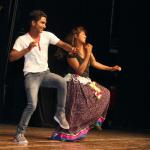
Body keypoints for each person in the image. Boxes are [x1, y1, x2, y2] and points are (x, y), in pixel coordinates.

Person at [9, 10, 77, 144]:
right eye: (42, 23)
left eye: (45, 23)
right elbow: (12, 57)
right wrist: (27, 50)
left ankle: (60, 113)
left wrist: (71, 49)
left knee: (62, 83)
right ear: (33, 23)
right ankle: (19, 134)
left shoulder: (47, 35)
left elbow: (62, 44)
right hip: (31, 76)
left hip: (45, 74)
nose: (44, 26)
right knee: (32, 105)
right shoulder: (22, 39)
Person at [50, 26, 121, 141]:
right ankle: (68, 132)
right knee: (75, 109)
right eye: (83, 34)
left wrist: (111, 68)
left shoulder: (86, 47)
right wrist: (88, 54)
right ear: (76, 36)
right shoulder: (71, 52)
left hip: (86, 82)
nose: (85, 36)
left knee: (106, 93)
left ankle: (92, 121)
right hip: (74, 82)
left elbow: (94, 63)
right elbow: (79, 71)